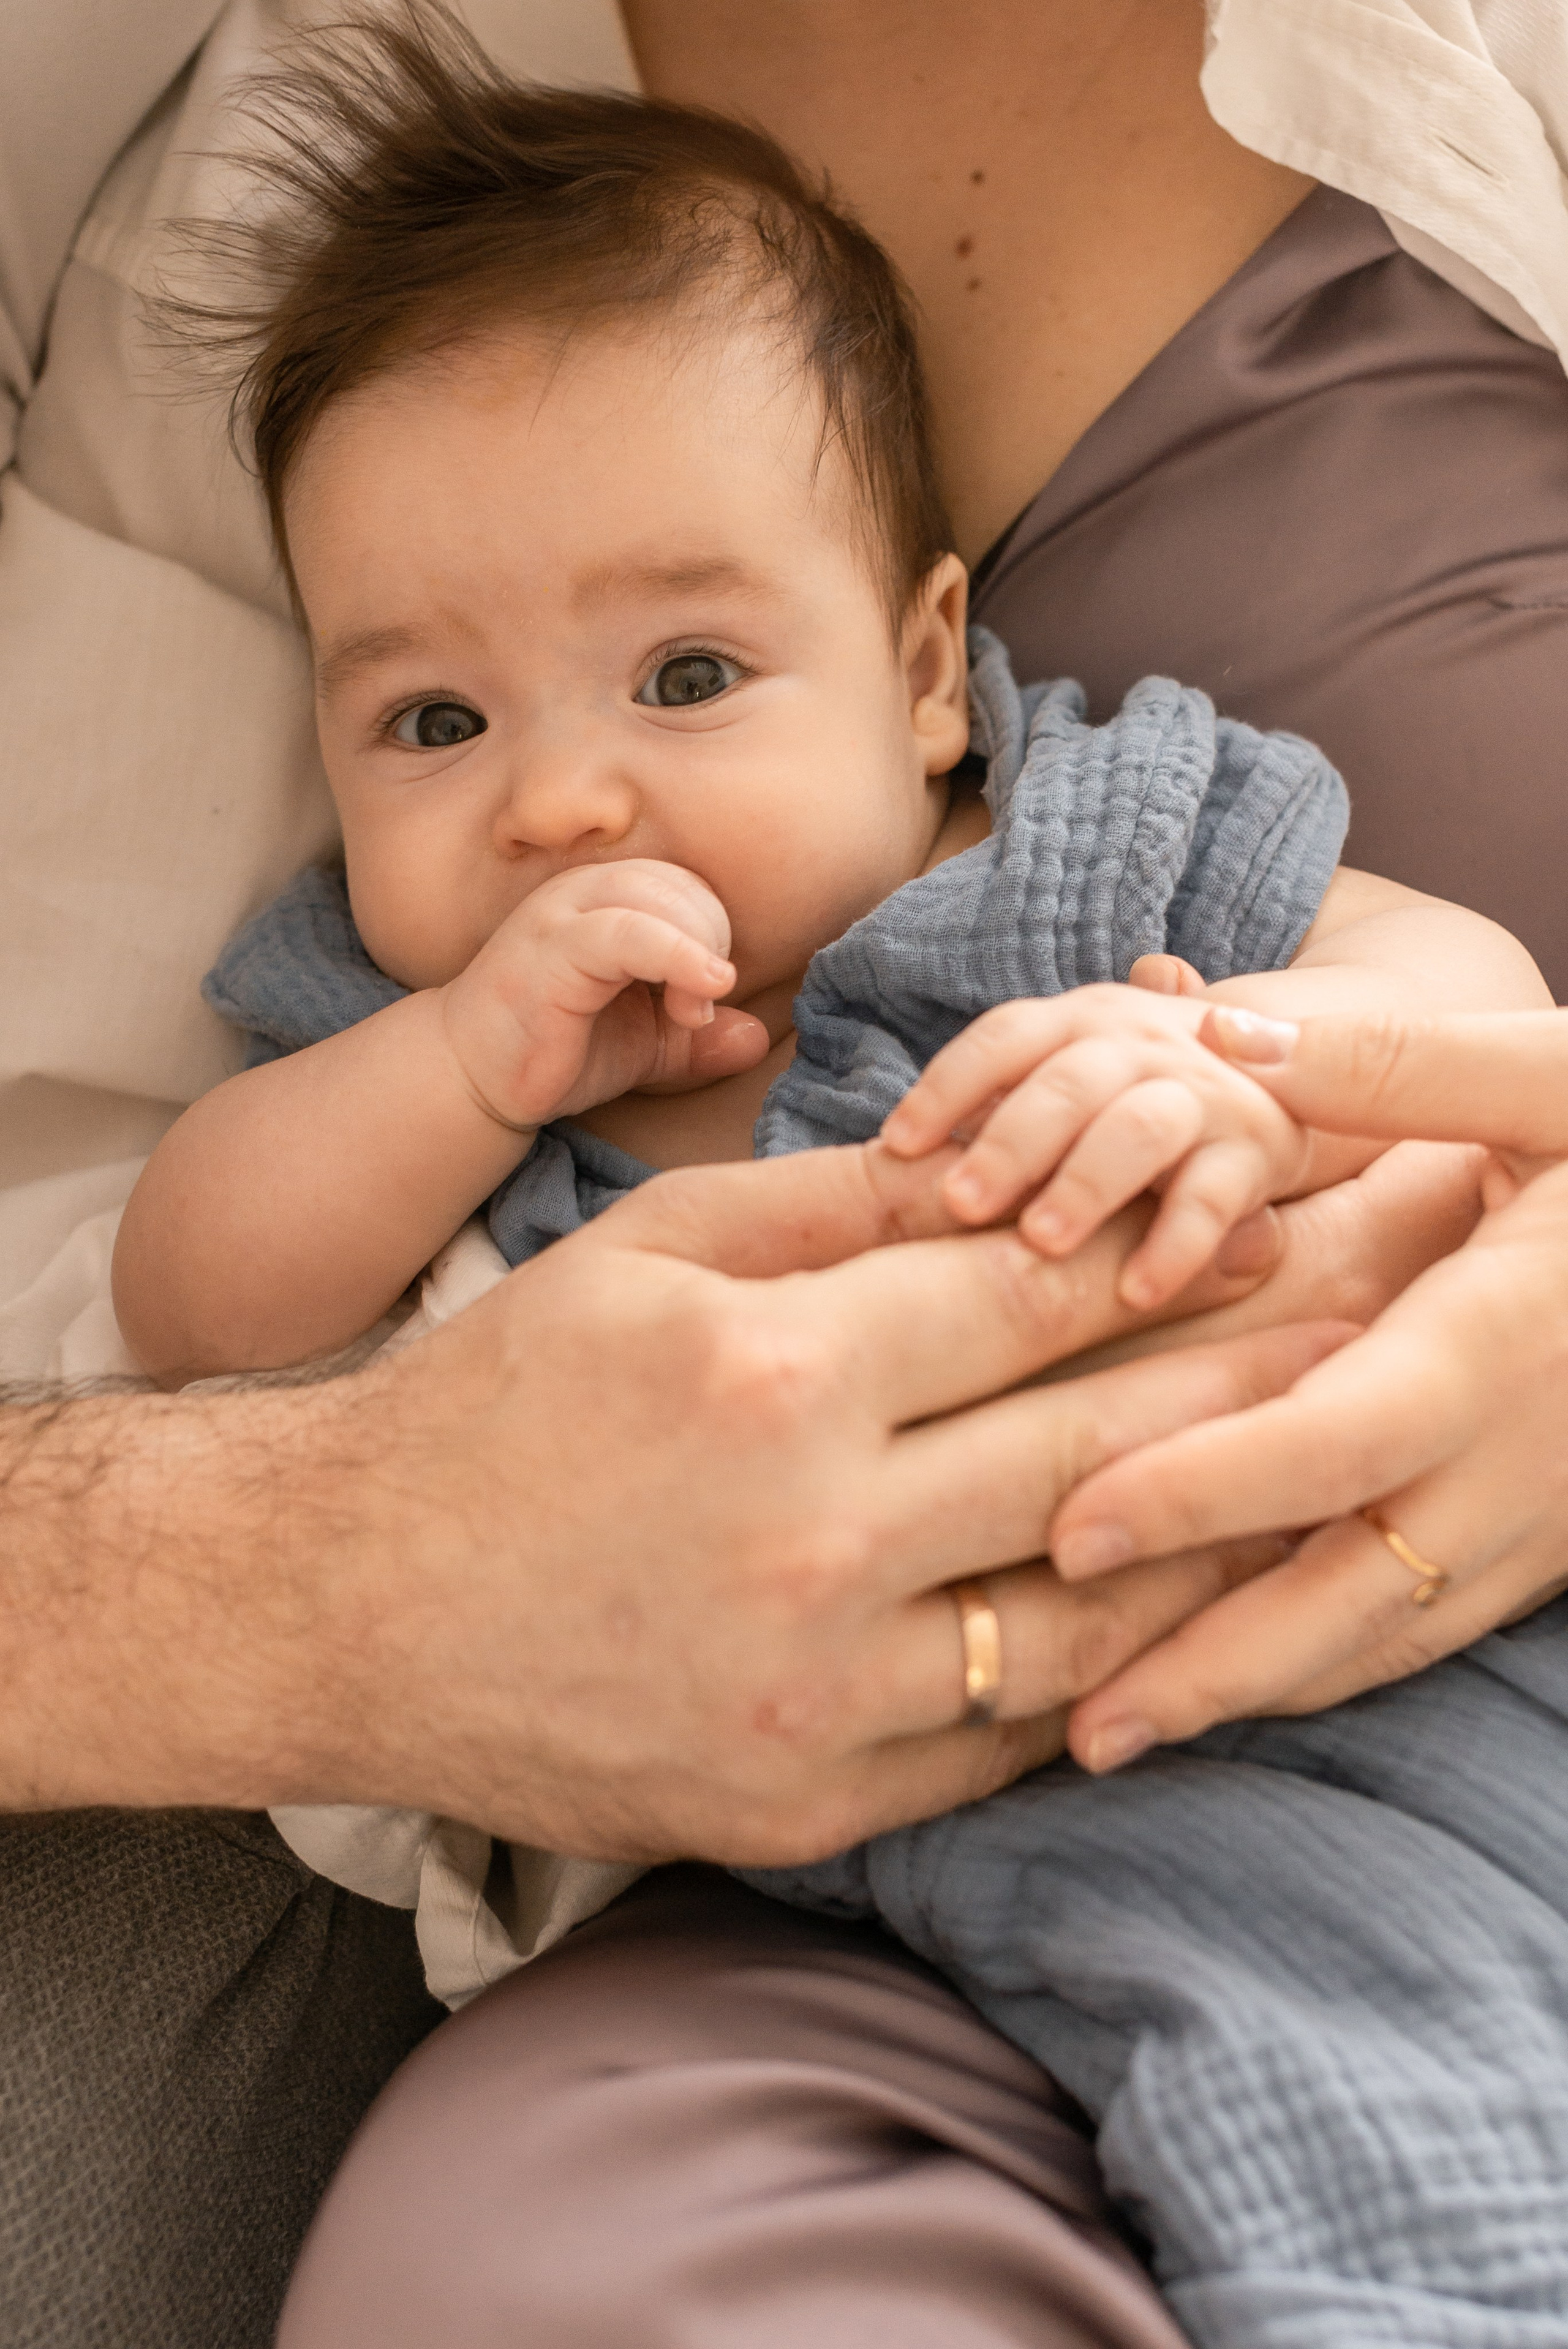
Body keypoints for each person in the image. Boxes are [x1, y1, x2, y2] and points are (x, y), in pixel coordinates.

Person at [1, 4, 1565, 2345]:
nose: (560, 802)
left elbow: (1438, 979)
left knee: (1359, 2133)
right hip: (812, 1879)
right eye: (433, 721)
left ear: (930, 670)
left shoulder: (1075, 855)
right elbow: (184, 1286)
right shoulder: (404, 1025)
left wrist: (1245, 1076)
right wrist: (445, 1062)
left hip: (1329, 1707)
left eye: (690, 673)